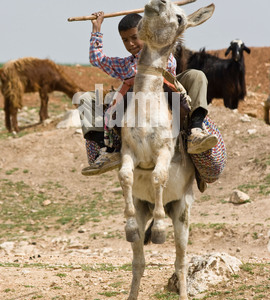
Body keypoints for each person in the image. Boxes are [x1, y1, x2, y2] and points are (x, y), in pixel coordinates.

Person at [79, 11, 218, 176]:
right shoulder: (124, 65)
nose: (130, 44)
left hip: (166, 95)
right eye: (125, 40)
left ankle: (195, 131)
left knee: (197, 76)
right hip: (135, 105)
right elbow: (96, 59)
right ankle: (106, 150)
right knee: (86, 99)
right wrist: (97, 29)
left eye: (134, 37)